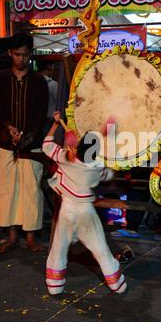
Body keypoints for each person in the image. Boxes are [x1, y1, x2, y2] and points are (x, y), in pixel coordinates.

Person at [42, 111, 127, 295]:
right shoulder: (95, 168)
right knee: (100, 248)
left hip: (67, 210)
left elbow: (47, 145)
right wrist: (107, 135)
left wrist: (56, 124)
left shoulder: (65, 158)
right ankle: (116, 284)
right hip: (86, 212)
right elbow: (109, 173)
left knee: (59, 246)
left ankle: (55, 286)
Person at [0, 32, 48, 252]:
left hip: (31, 144)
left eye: (25, 55)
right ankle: (12, 235)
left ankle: (31, 236)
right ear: (10, 53)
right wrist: (9, 128)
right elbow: (0, 107)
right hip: (7, 142)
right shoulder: (0, 78)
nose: (21, 59)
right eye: (17, 54)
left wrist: (27, 134)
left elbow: (40, 112)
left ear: (30, 55)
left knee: (31, 190)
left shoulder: (38, 80)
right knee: (8, 189)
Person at [36, 60, 58, 130]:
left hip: (37, 120)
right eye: (53, 65)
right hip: (49, 121)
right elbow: (59, 101)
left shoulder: (34, 81)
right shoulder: (53, 84)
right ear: (49, 66)